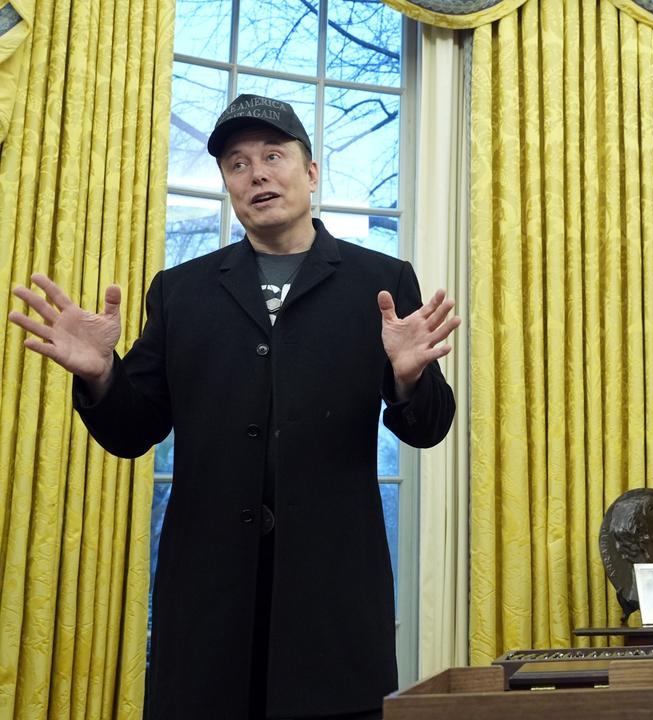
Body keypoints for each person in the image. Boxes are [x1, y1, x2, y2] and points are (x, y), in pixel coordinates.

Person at [7, 94, 460, 719]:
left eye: (274, 156)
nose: (258, 174)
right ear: (227, 184)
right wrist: (103, 376)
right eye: (238, 164)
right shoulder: (181, 291)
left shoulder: (378, 282)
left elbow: (428, 428)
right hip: (207, 606)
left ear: (311, 172)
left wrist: (410, 379)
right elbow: (134, 429)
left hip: (332, 604)